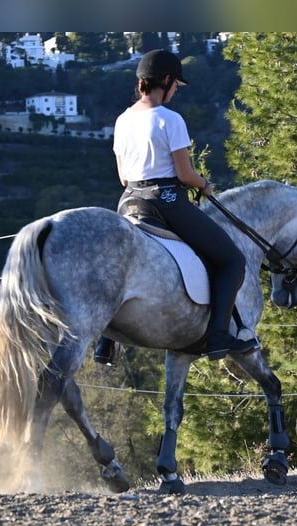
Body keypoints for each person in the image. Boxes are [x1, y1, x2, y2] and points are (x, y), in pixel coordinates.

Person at [94, 49, 258, 364]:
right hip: (165, 201)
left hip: (129, 201)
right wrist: (203, 185)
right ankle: (219, 337)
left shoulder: (123, 119)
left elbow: (123, 176)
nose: (174, 93)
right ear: (166, 81)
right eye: (175, 86)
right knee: (232, 261)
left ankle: (105, 339)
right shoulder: (170, 119)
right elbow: (184, 173)